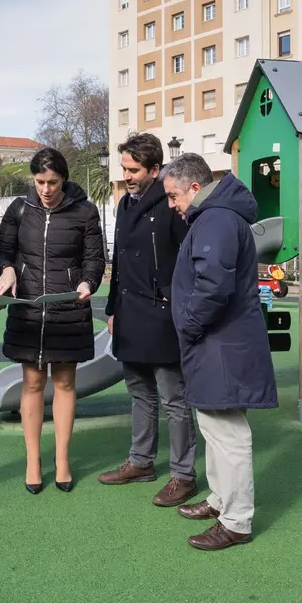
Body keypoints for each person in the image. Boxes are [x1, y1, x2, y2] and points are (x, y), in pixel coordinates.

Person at [161, 153, 278, 551]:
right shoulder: (217, 216)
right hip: (218, 341)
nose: (173, 205)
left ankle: (237, 521)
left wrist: (189, 325)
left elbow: (213, 287)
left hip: (220, 342)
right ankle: (219, 500)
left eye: (174, 196)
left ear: (195, 188)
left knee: (227, 433)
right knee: (214, 425)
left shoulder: (217, 218)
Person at [0, 148, 105, 494]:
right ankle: (33, 460)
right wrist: (5, 269)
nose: (46, 189)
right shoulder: (19, 210)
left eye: (53, 182)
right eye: (40, 181)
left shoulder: (85, 211)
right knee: (33, 383)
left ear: (64, 180)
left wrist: (88, 282)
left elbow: (94, 259)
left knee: (66, 383)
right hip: (28, 311)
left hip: (68, 310)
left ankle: (63, 460)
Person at [97, 133, 198, 508]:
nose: (126, 175)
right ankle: (140, 462)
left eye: (133, 169)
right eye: (123, 168)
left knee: (174, 398)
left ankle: (183, 475)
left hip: (162, 314)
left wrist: (175, 291)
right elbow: (119, 263)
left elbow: (191, 251)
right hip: (129, 312)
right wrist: (111, 309)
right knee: (139, 392)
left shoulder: (171, 203)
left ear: (155, 170)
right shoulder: (123, 205)